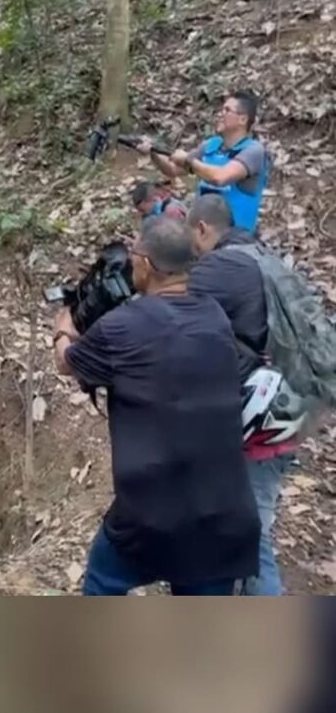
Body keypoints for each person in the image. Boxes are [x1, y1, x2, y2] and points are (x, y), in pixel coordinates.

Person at [53, 218, 260, 596]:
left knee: (101, 585)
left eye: (134, 257)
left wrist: (65, 326)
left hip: (151, 518)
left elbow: (68, 362)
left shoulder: (121, 327)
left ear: (145, 264)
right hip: (225, 515)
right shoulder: (215, 316)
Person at [187, 193, 300, 596]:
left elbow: (178, 324)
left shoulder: (219, 266)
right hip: (285, 408)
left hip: (260, 424)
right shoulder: (262, 256)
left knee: (251, 541)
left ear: (201, 229)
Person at [138, 90, 269, 233]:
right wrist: (152, 152)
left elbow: (220, 177)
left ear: (243, 119)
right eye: (221, 109)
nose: (220, 114)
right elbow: (172, 169)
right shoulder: (211, 146)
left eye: (227, 110)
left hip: (235, 241)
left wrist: (189, 161)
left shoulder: (253, 150)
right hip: (202, 237)